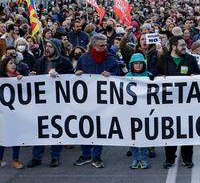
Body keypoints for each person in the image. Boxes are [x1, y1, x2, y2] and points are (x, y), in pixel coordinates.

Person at [74, 34, 120, 168]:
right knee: (85, 127)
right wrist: (77, 73)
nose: (105, 47)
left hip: (103, 101)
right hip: (86, 100)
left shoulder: (111, 59)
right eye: (102, 45)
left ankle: (97, 156)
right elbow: (76, 73)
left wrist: (112, 75)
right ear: (94, 46)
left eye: (106, 44)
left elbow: (119, 76)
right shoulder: (84, 58)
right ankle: (86, 154)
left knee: (99, 128)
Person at [27, 39, 74, 168]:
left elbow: (71, 78)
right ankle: (36, 157)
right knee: (40, 130)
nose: (47, 48)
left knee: (56, 129)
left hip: (57, 102)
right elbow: (35, 79)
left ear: (57, 48)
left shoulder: (64, 62)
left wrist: (59, 76)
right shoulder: (39, 62)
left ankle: (55, 157)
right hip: (41, 101)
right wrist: (31, 77)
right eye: (46, 46)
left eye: (50, 47)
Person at [157, 36, 200, 169]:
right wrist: (160, 78)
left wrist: (195, 76)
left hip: (187, 102)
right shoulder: (164, 59)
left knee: (186, 131)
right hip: (169, 103)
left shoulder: (190, 59)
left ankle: (187, 158)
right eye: (181, 45)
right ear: (173, 47)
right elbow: (155, 74)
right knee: (170, 131)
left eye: (184, 45)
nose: (184, 47)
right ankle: (169, 158)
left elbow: (199, 75)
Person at [126, 53, 153, 169]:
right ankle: (135, 158)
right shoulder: (126, 76)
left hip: (145, 111)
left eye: (140, 63)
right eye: (135, 63)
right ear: (131, 64)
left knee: (143, 136)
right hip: (130, 111)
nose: (138, 65)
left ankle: (143, 158)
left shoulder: (150, 76)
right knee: (132, 136)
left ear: (144, 64)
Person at [0, 57, 25, 170]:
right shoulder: (2, 78)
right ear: (5, 65)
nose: (13, 65)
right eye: (10, 63)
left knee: (16, 136)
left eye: (14, 63)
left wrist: (21, 80)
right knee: (3, 137)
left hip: (16, 113)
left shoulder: (18, 76)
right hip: (3, 113)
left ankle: (15, 160)